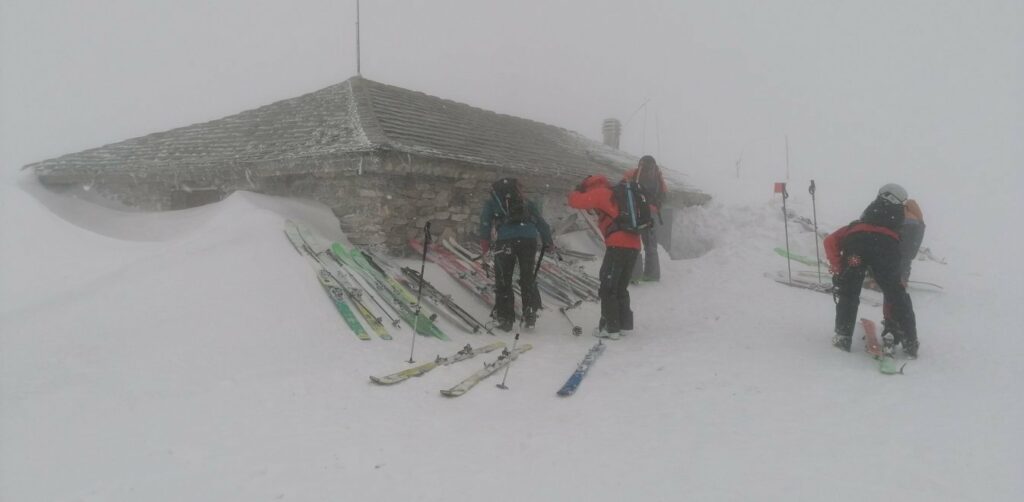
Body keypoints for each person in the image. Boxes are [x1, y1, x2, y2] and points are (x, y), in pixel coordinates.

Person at [824, 183, 919, 358]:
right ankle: (910, 342)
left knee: (849, 292)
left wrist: (839, 269)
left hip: (856, 246)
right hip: (887, 249)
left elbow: (830, 241)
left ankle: (843, 336)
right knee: (895, 293)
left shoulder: (860, 221)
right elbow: (904, 250)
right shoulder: (899, 219)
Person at [568, 175, 642, 340]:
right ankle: (624, 325)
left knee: (608, 287)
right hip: (634, 245)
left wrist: (575, 191)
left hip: (618, 244)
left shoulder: (600, 193)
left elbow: (575, 201)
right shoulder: (617, 194)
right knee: (621, 286)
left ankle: (610, 327)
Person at [479, 177, 553, 332]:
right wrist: (548, 242)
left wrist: (485, 246)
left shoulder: (493, 201)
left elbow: (485, 224)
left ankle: (506, 319)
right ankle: (530, 313)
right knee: (527, 276)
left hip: (506, 241)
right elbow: (541, 222)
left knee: (504, 279)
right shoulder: (525, 201)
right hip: (528, 240)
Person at [622, 155, 668, 282]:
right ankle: (652, 274)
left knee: (634, 243)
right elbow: (664, 193)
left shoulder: (634, 173)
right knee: (651, 245)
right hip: (651, 214)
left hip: (636, 213)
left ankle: (635, 275)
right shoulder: (658, 177)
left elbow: (623, 186)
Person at [898, 199, 925, 284]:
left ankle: (900, 278)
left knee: (900, 257)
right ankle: (903, 279)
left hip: (905, 236)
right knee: (906, 259)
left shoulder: (906, 213)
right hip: (914, 241)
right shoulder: (919, 218)